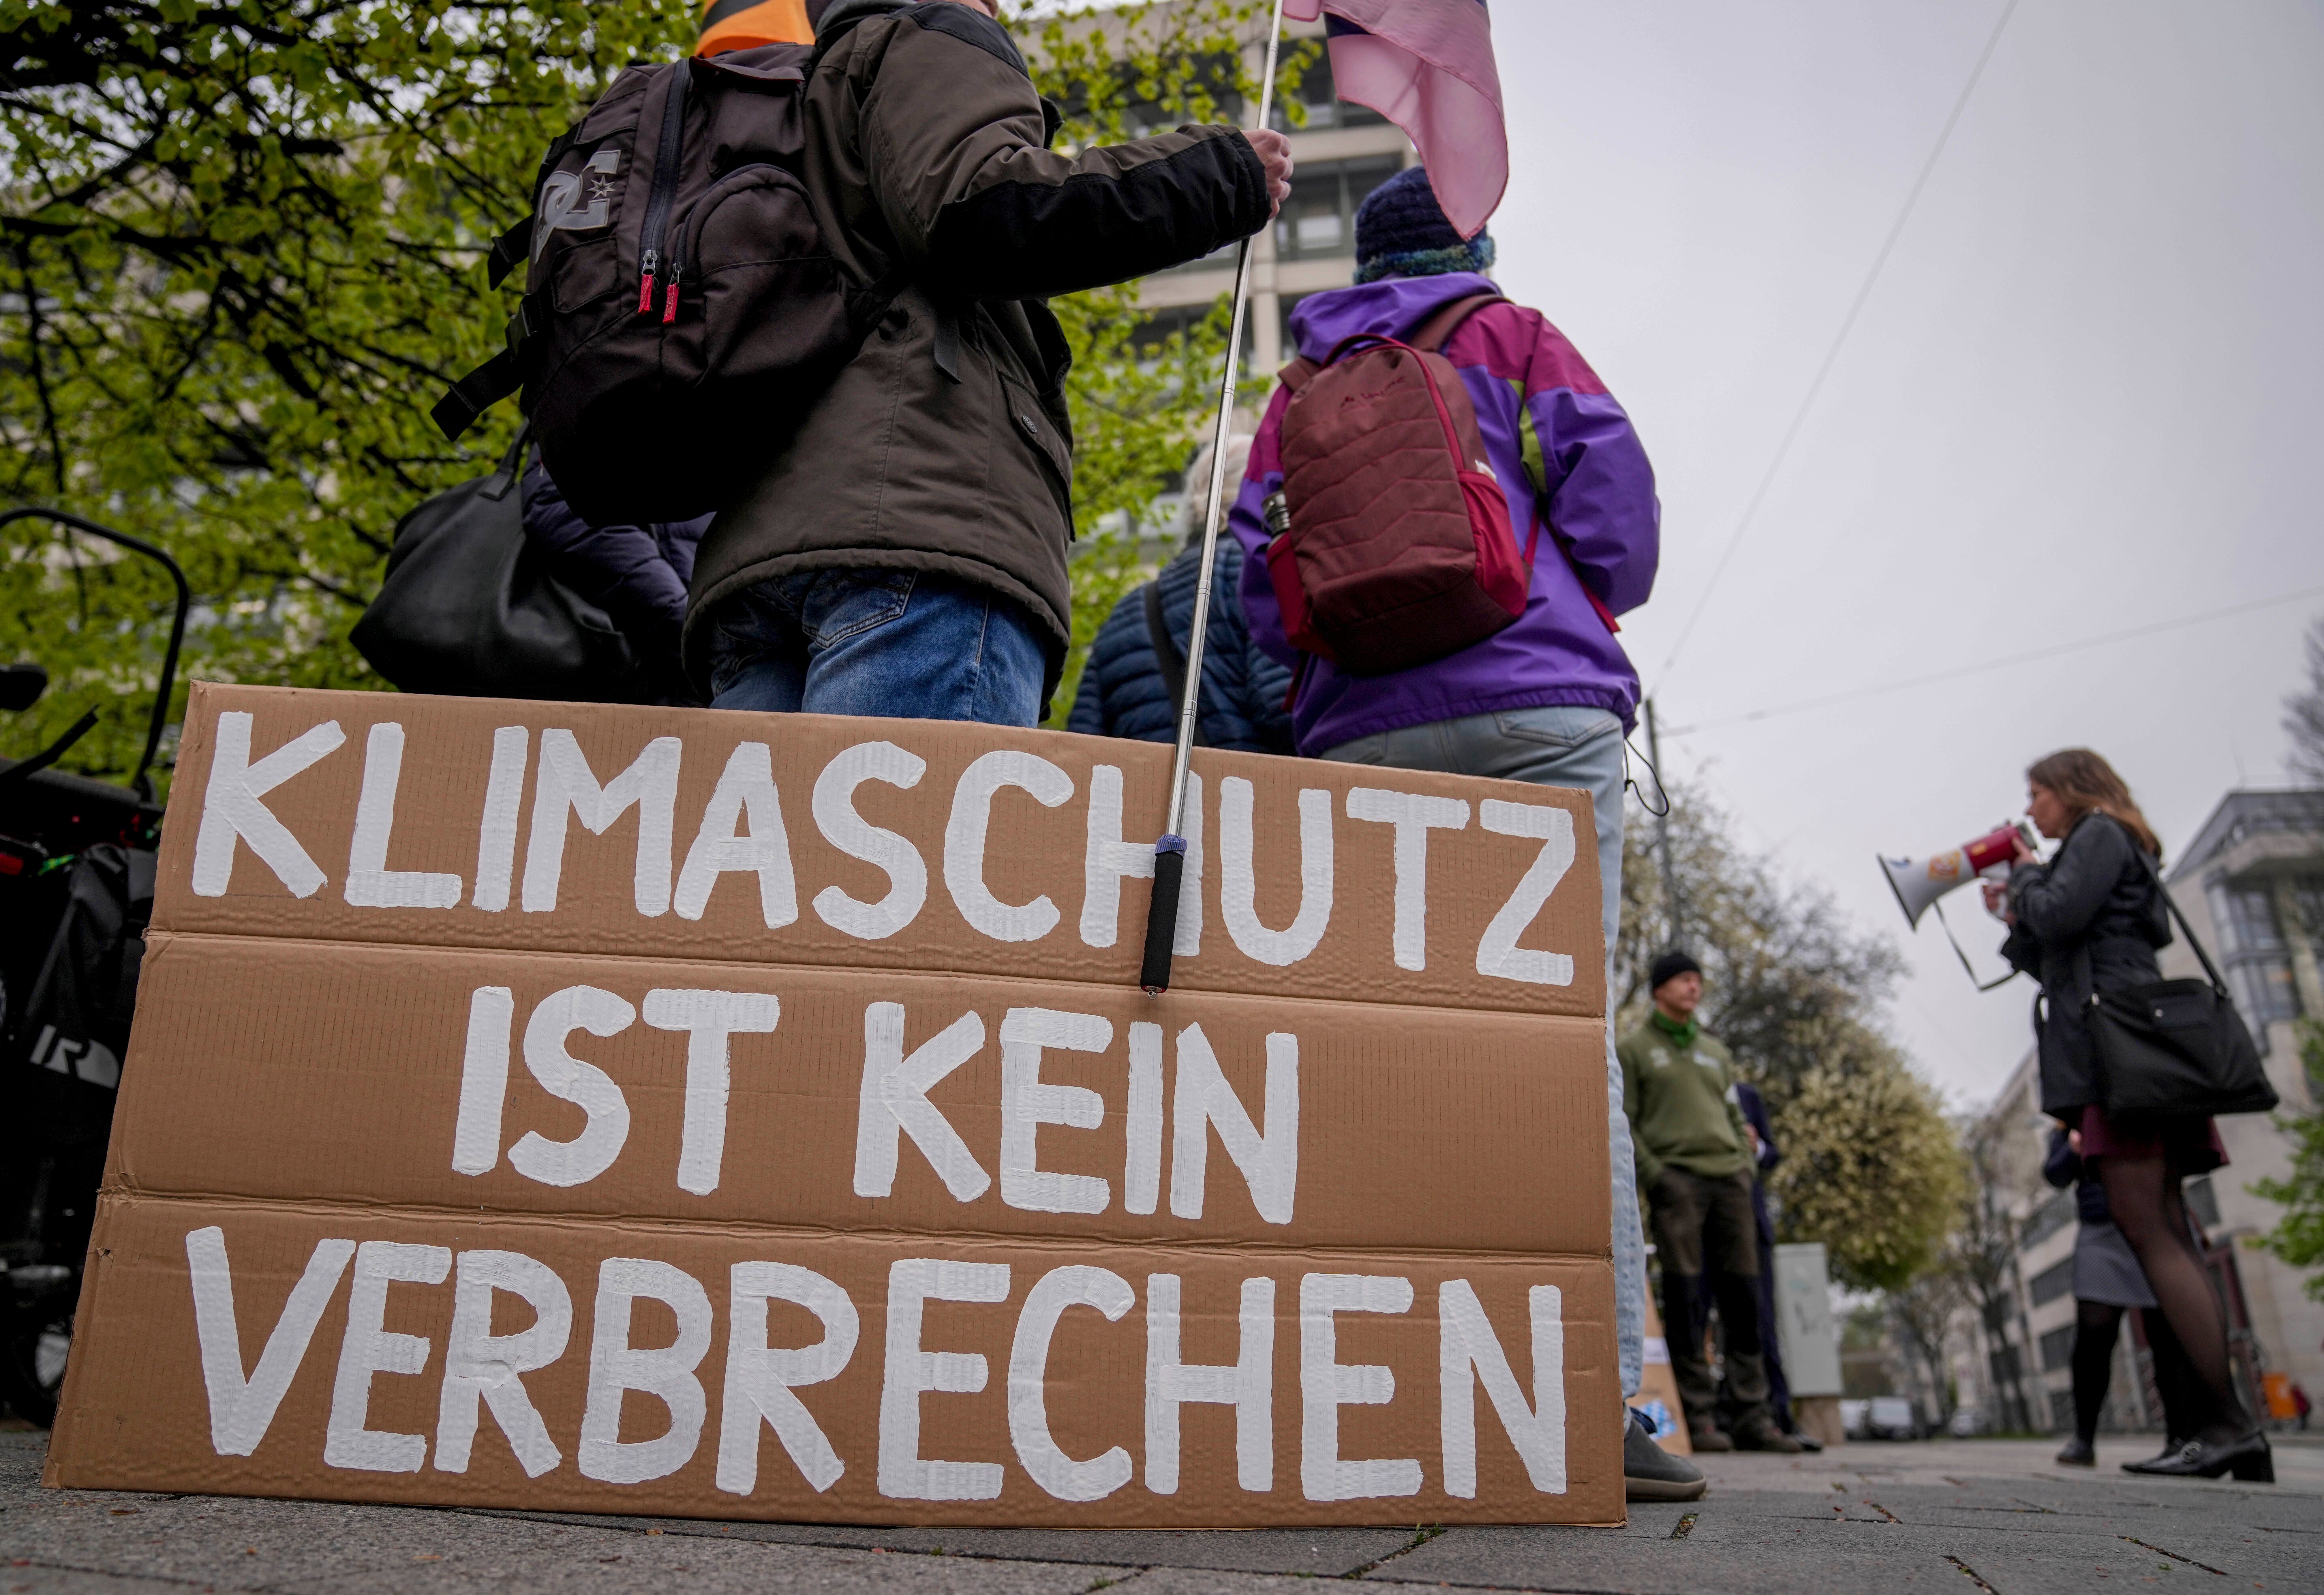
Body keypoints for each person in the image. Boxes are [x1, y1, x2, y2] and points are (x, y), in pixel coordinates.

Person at [1226, 165, 1691, 1500]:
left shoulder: (1295, 388)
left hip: (1363, 731)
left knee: (1392, 1041)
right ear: (1469, 242)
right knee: (1559, 1045)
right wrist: (1553, 596)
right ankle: (1595, 1405)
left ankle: (1405, 1388)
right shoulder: (1517, 336)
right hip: (1540, 710)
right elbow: (1622, 526)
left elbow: (1268, 590)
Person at [685, 0, 1293, 726]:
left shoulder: (783, 97)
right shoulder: (929, 30)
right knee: (921, 839)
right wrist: (1222, 175)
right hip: (917, 533)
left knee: (779, 844)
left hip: (757, 564)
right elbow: (982, 213)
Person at [1987, 748, 2270, 1482]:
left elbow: (2058, 914)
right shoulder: (2109, 842)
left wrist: (2023, 875)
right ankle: (2215, 1426)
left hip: (2123, 1055)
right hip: (2126, 1044)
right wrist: (2019, 903)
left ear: (2070, 790)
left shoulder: (2099, 833)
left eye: (2038, 793)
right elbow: (2055, 944)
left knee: (2153, 1233)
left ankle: (2228, 1424)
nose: (2034, 810)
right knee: (2165, 1232)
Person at [1619, 951, 1801, 1456]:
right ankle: (1697, 1415)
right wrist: (1658, 1177)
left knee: (1743, 1299)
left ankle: (1753, 1415)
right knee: (1686, 1299)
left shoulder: (1714, 1051)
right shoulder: (1634, 1049)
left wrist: (1744, 1168)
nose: (1693, 987)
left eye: (1697, 979)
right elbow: (1625, 1120)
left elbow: (1730, 1112)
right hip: (1678, 1183)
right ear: (1658, 988)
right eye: (1682, 978)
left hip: (1730, 1183)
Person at [1067, 435, 1293, 752]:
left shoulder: (1125, 613)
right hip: (1245, 795)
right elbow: (1283, 707)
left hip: (1149, 800)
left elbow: (1082, 747)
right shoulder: (1258, 576)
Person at [2043, 1123, 2203, 1467]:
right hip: (2103, 1226)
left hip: (2158, 1220)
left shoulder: (2141, 1093)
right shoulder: (2070, 1122)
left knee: (2167, 1334)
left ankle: (2181, 1439)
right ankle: (2083, 1439)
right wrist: (2074, 1147)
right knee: (2093, 1332)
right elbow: (2055, 1174)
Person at [521, 452, 712, 704]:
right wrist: (698, 644)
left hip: (697, 666)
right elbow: (568, 513)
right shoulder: (584, 419)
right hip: (668, 676)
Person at [1718, 1077, 1822, 1451]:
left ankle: (1779, 1418)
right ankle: (1711, 1421)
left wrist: (1757, 1146)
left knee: (1761, 1320)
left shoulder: (1746, 1096)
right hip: (1696, 1223)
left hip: (1750, 1223)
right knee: (1698, 1318)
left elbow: (1772, 1154)